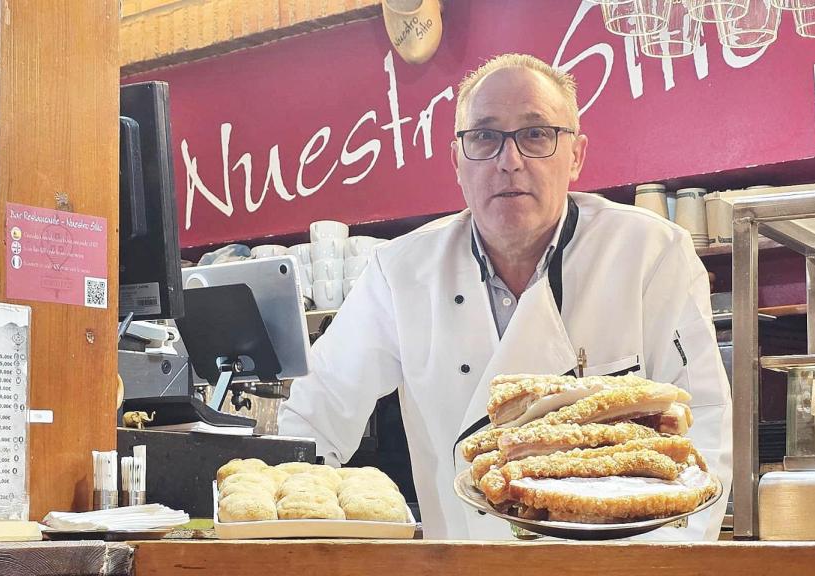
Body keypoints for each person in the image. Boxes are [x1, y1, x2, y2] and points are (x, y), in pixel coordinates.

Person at [278, 53, 731, 541]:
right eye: (484, 137)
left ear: (575, 155)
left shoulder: (651, 253)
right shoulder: (400, 272)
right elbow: (315, 409)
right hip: (464, 561)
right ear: (457, 160)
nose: (509, 161)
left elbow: (703, 426)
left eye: (536, 134)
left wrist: (665, 560)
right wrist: (282, 518)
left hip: (615, 564)